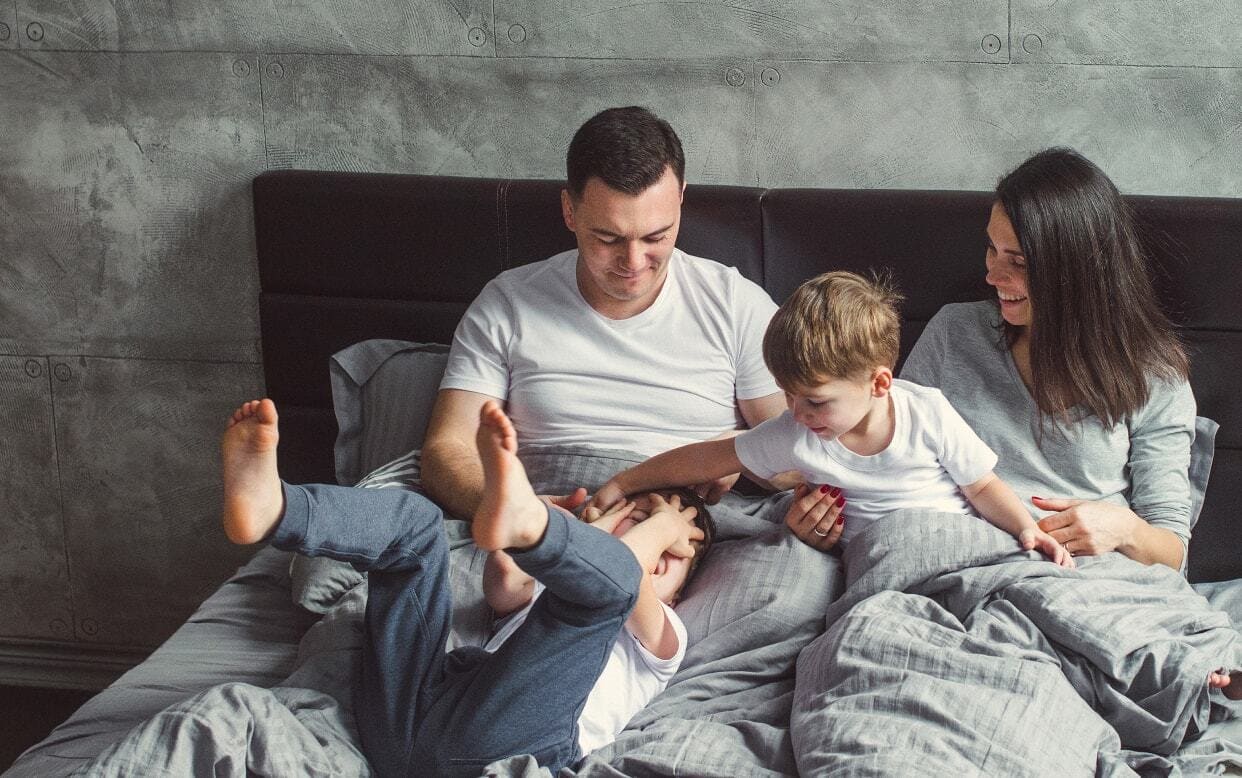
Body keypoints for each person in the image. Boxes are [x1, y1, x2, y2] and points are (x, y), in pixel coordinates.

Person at [219, 397, 715, 777]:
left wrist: (656, 525)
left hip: (510, 746)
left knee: (607, 586)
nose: (662, 543)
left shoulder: (664, 636)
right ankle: (279, 509)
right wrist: (537, 528)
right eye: (639, 520)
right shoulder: (545, 590)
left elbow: (623, 574)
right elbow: (504, 582)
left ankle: (538, 529)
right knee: (416, 524)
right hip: (413, 719)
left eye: (676, 552)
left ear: (677, 594)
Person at [421, 106, 785, 520]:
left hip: (689, 518)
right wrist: (508, 509)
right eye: (608, 238)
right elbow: (447, 449)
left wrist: (740, 451)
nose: (633, 262)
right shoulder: (507, 303)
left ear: (681, 198)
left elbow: (806, 449)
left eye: (656, 236)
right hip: (548, 510)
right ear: (570, 211)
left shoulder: (736, 304)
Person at [592, 271, 1073, 567]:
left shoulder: (926, 413)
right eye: (788, 394)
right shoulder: (798, 433)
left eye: (816, 401)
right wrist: (625, 481)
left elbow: (982, 486)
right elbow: (710, 458)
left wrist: (1024, 528)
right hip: (877, 564)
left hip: (949, 544)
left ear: (879, 383)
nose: (797, 411)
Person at [899, 147, 1195, 572]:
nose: (992, 276)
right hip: (964, 560)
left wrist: (1124, 529)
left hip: (1086, 575)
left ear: (1077, 271)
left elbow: (1173, 555)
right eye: (992, 249)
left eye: (1018, 262)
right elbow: (890, 458)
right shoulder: (953, 333)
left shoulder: (1154, 374)